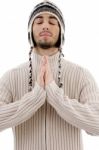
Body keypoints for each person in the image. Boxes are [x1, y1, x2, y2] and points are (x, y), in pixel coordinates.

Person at [0, 1, 99, 150]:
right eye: (39, 21)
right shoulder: (10, 77)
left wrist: (54, 94)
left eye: (53, 22)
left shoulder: (81, 75)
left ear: (61, 32)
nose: (45, 25)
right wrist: (35, 96)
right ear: (30, 31)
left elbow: (96, 124)